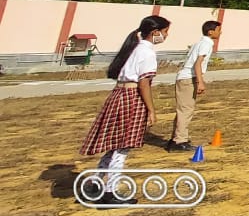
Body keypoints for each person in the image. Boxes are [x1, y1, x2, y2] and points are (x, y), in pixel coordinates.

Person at [79, 15, 169, 206]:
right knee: (122, 148)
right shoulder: (147, 53)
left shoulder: (134, 48)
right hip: (131, 98)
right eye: (165, 31)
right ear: (155, 32)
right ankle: (110, 191)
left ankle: (94, 185)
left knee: (114, 146)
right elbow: (144, 83)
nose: (166, 35)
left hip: (118, 96)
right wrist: (151, 109)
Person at [167, 19, 219, 152]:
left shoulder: (199, 43)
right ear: (210, 32)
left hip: (184, 78)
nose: (220, 32)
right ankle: (180, 141)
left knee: (183, 110)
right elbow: (198, 64)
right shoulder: (206, 44)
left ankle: (175, 138)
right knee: (186, 110)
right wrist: (200, 82)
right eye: (218, 30)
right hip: (188, 79)